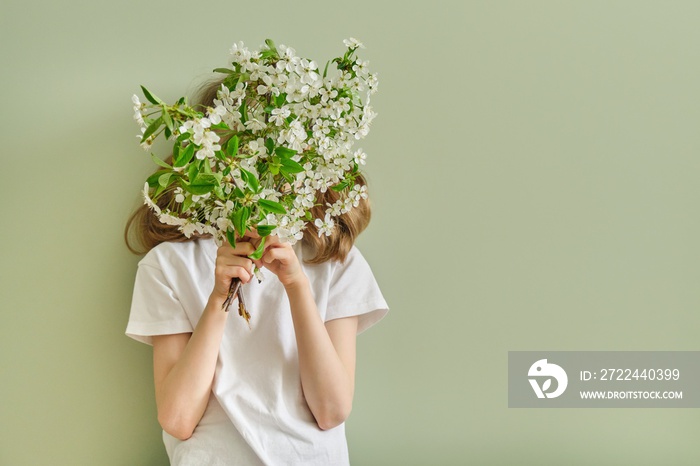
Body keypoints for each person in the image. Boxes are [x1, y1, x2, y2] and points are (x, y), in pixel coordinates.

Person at [124, 80, 389, 465]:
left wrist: (297, 284)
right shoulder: (168, 266)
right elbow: (178, 419)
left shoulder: (333, 263)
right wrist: (218, 299)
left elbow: (331, 410)